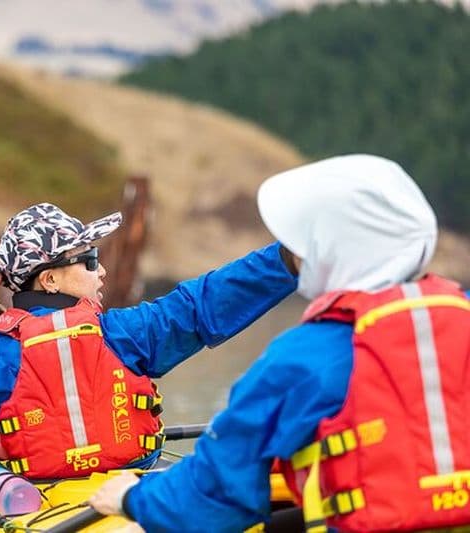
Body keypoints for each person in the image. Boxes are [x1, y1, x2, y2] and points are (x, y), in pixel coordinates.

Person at [89, 154, 470, 532]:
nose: (297, 256)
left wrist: (130, 497)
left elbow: (213, 497)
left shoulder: (302, 358)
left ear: (330, 253)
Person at [0, 202, 299, 497]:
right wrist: (284, 259)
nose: (101, 269)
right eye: (88, 260)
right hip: (131, 499)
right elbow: (203, 304)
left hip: (38, 507)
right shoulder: (126, 334)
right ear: (49, 279)